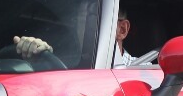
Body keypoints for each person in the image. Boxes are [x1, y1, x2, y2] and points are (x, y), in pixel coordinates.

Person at [14, 6, 145, 68]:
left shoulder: (143, 72)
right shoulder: (65, 64)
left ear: (121, 30)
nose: (76, 27)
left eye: (91, 18)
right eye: (75, 20)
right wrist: (40, 57)